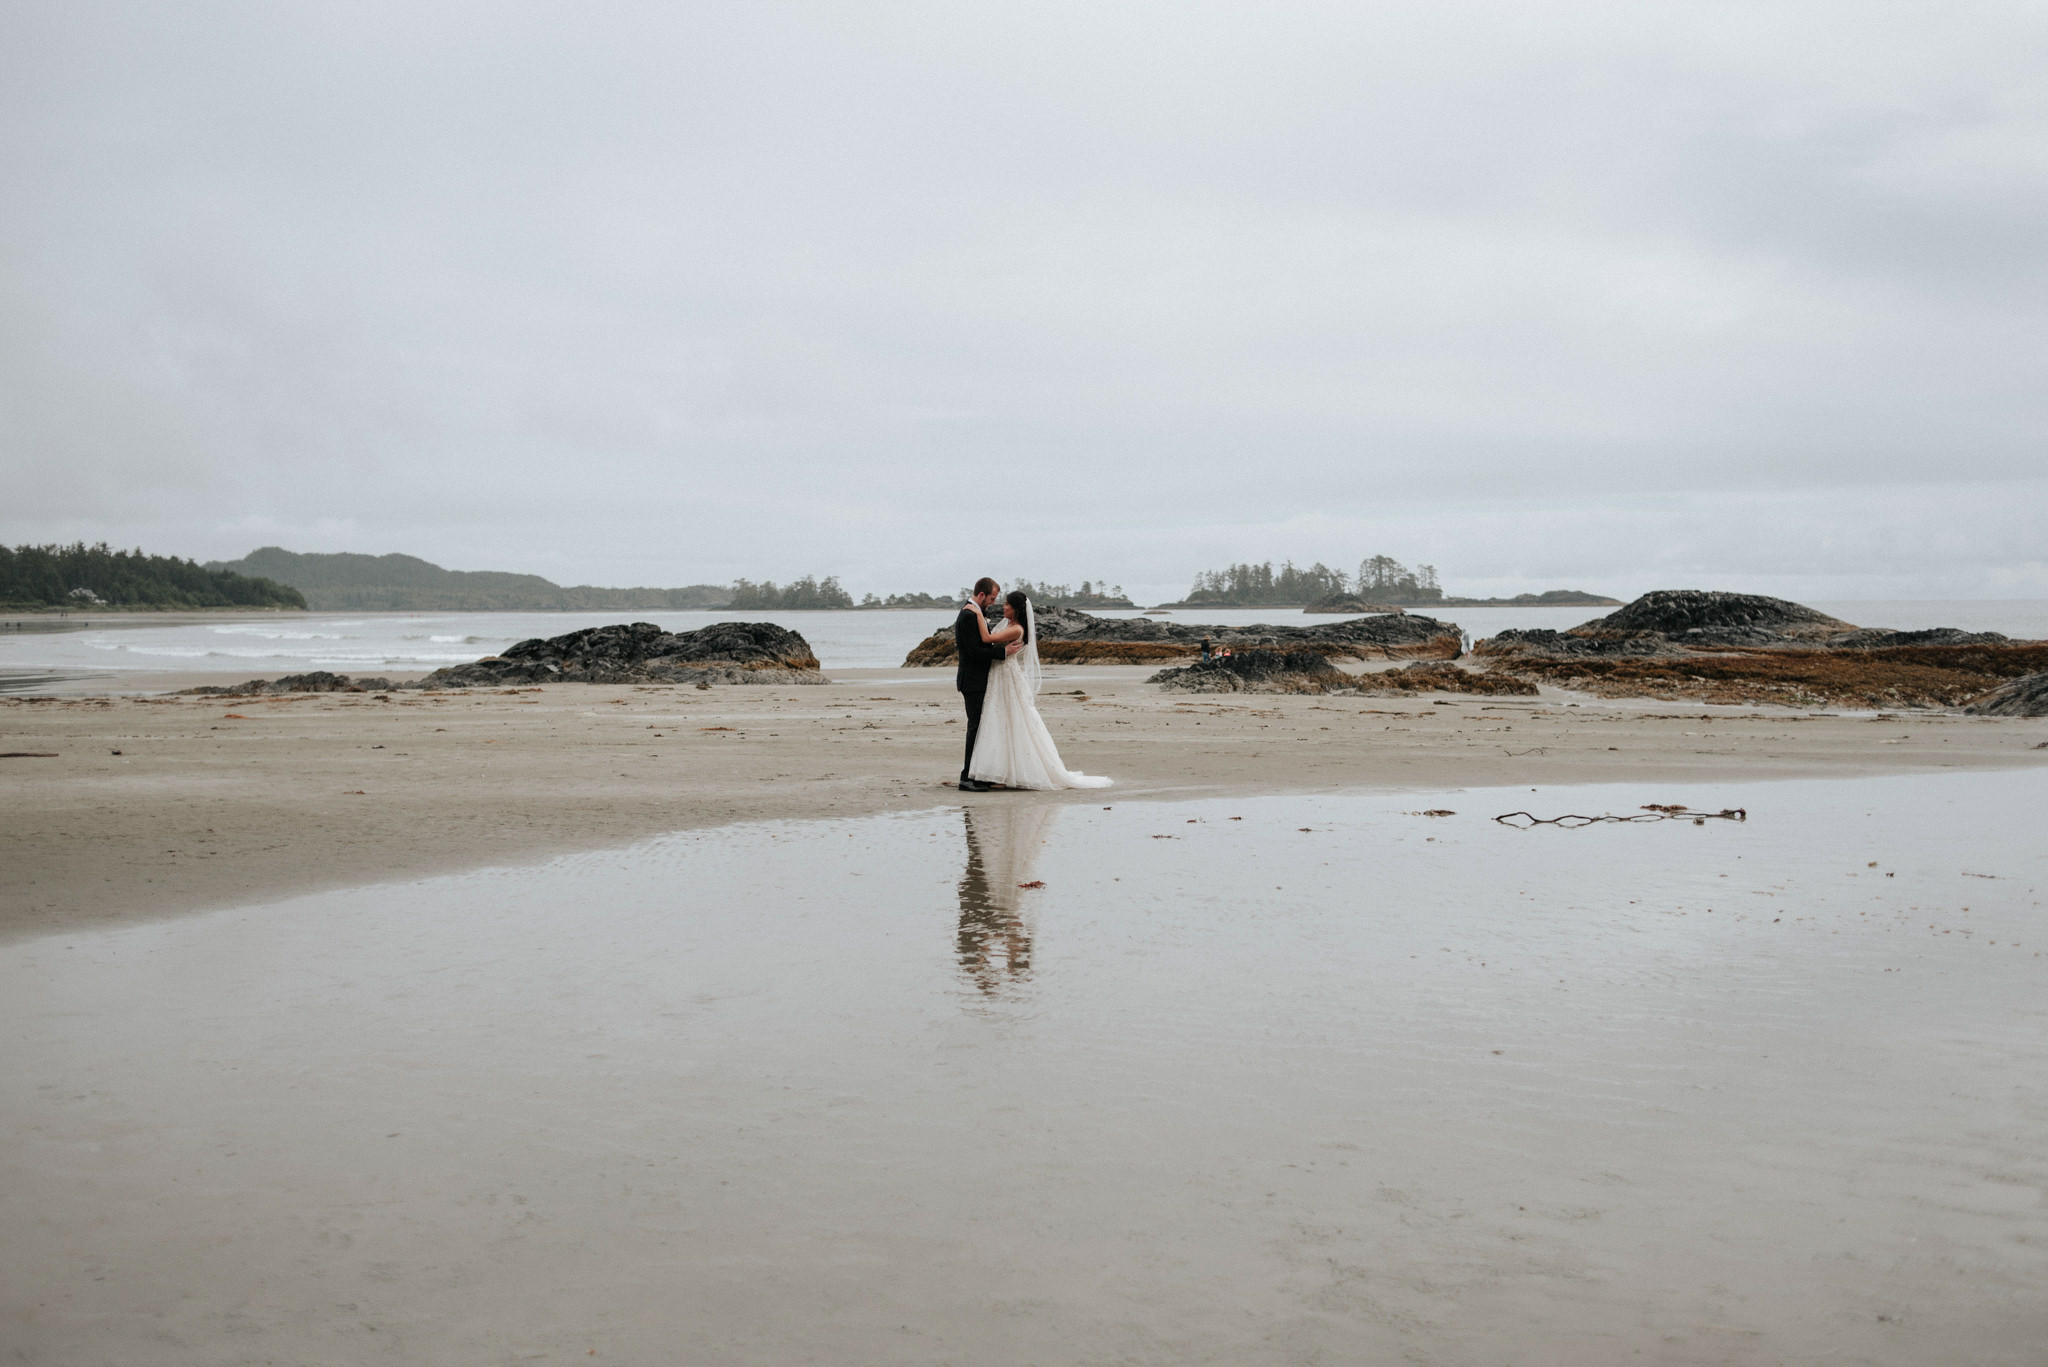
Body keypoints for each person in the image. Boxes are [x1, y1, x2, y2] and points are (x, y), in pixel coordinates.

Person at [962, 589, 1113, 790]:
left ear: (1015, 609)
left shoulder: (1017, 629)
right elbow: (991, 639)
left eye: (1007, 604)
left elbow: (987, 639)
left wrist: (978, 613)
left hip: (1006, 676)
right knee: (999, 721)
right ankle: (998, 771)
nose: (1003, 606)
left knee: (1012, 719)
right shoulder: (1009, 624)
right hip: (999, 675)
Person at [954, 578, 1020, 792]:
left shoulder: (976, 613)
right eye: (991, 598)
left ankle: (978, 774)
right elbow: (974, 651)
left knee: (981, 728)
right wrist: (1002, 652)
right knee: (975, 727)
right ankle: (966, 777)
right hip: (972, 680)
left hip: (979, 679)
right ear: (981, 595)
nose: (993, 603)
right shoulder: (968, 615)